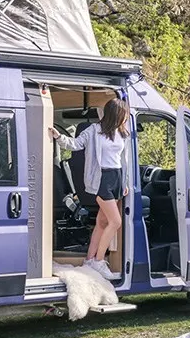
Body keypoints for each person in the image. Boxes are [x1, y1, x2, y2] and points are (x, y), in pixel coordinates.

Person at [49, 98, 130, 281]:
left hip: (117, 178)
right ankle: (99, 261)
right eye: (123, 115)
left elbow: (124, 160)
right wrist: (58, 137)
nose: (125, 118)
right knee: (115, 222)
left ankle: (88, 260)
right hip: (101, 178)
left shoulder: (123, 133)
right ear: (115, 114)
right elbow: (76, 144)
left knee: (102, 223)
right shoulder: (94, 131)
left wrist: (124, 182)